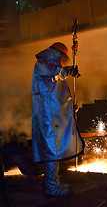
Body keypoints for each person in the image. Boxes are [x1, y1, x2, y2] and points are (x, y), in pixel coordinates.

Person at [31, 42, 85, 197]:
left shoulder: (50, 63)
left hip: (52, 116)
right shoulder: (44, 62)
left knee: (53, 149)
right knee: (52, 150)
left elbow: (57, 93)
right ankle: (52, 187)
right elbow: (54, 73)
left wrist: (69, 107)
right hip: (48, 117)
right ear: (59, 54)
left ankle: (53, 182)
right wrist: (69, 71)